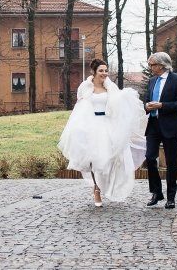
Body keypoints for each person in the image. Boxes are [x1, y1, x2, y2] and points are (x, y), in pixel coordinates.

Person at [57, 59, 147, 207]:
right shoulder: (85, 87)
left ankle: (107, 185)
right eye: (101, 71)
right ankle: (96, 189)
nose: (104, 73)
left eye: (106, 71)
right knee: (92, 159)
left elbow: (118, 106)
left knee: (108, 160)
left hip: (107, 125)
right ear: (94, 71)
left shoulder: (110, 87)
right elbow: (80, 107)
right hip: (90, 126)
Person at [143, 52, 177, 210]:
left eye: (152, 65)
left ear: (162, 65)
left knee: (171, 162)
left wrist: (162, 105)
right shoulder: (152, 81)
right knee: (149, 157)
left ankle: (171, 197)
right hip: (153, 125)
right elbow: (147, 100)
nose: (150, 68)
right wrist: (147, 106)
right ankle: (156, 192)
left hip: (171, 126)